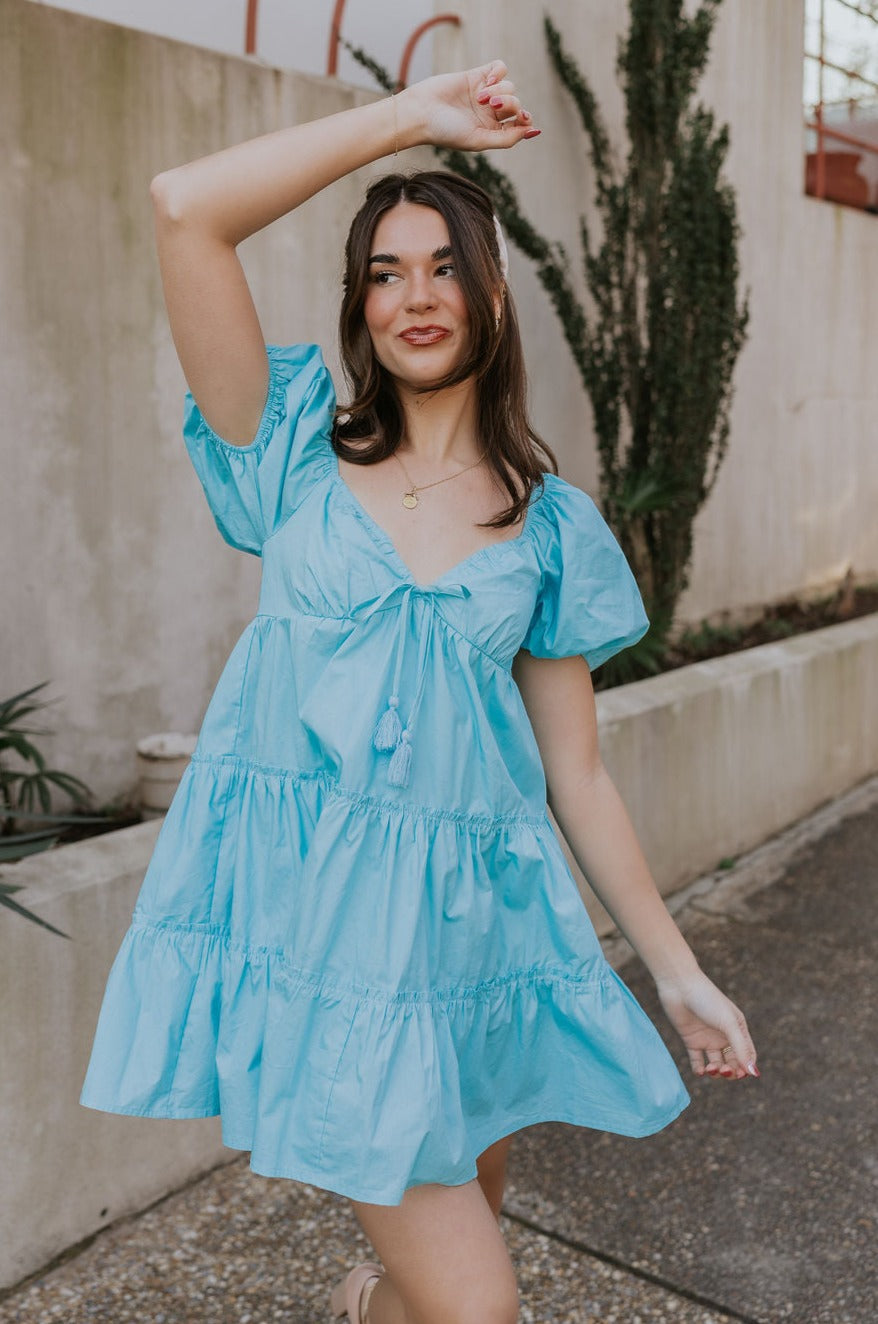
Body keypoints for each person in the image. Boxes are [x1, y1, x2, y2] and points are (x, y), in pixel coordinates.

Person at [81, 60, 758, 1324]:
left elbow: (574, 773)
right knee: (478, 1304)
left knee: (432, 1279)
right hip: (322, 948)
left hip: (465, 948)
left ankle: (361, 1307)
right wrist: (408, 122)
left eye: (445, 265)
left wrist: (672, 972)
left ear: (492, 291)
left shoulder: (548, 526)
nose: (416, 295)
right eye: (384, 273)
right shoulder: (287, 444)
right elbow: (186, 206)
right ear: (359, 306)